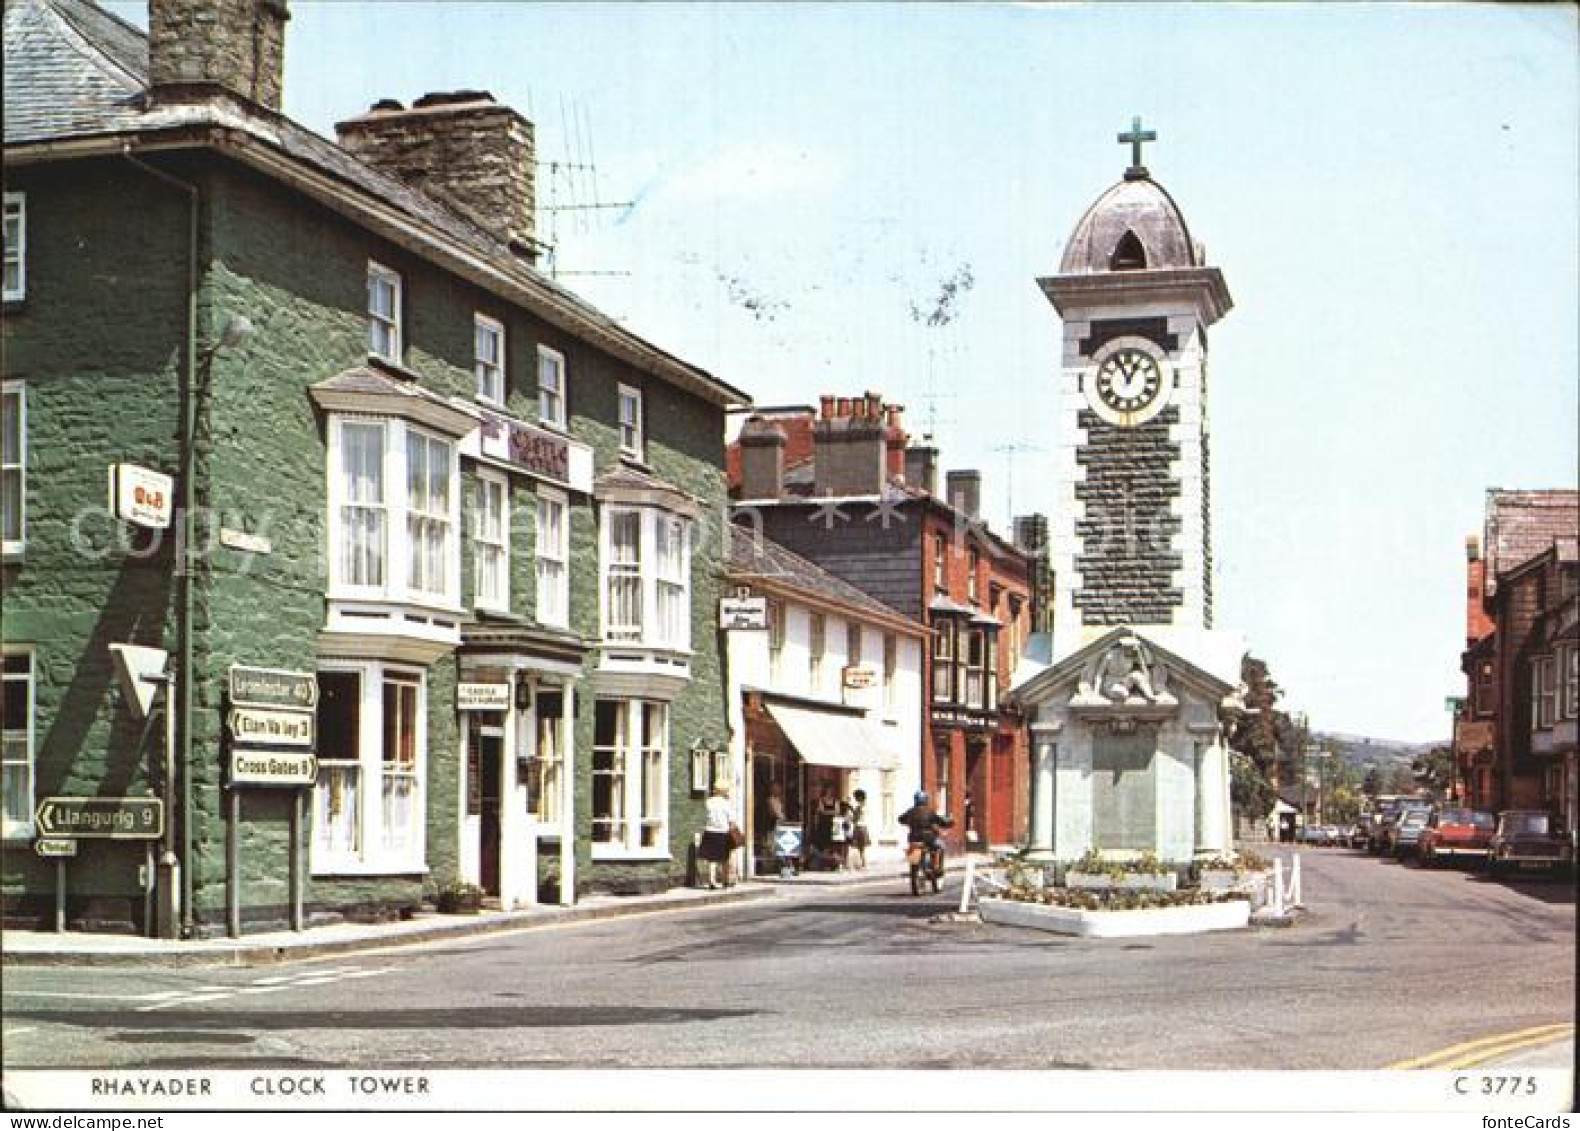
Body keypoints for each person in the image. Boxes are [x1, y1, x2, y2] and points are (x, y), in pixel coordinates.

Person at [898, 790, 954, 866]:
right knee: (941, 846)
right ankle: (937, 866)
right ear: (925, 800)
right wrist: (949, 823)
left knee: (912, 848)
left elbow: (900, 819)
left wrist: (908, 822)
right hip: (928, 838)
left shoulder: (910, 811)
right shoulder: (929, 812)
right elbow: (940, 821)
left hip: (913, 837)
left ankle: (918, 865)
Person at [699, 783, 736, 889]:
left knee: (712, 858)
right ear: (724, 791)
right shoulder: (726, 803)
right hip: (723, 832)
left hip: (710, 831)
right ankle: (725, 880)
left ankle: (712, 881)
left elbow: (705, 815)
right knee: (725, 858)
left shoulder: (709, 802)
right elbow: (732, 820)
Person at [848, 789, 870, 870]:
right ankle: (863, 864)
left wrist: (850, 816)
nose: (855, 799)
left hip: (859, 827)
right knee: (862, 848)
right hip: (864, 827)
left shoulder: (859, 807)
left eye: (856, 797)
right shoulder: (865, 806)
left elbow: (855, 819)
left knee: (858, 847)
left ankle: (860, 864)